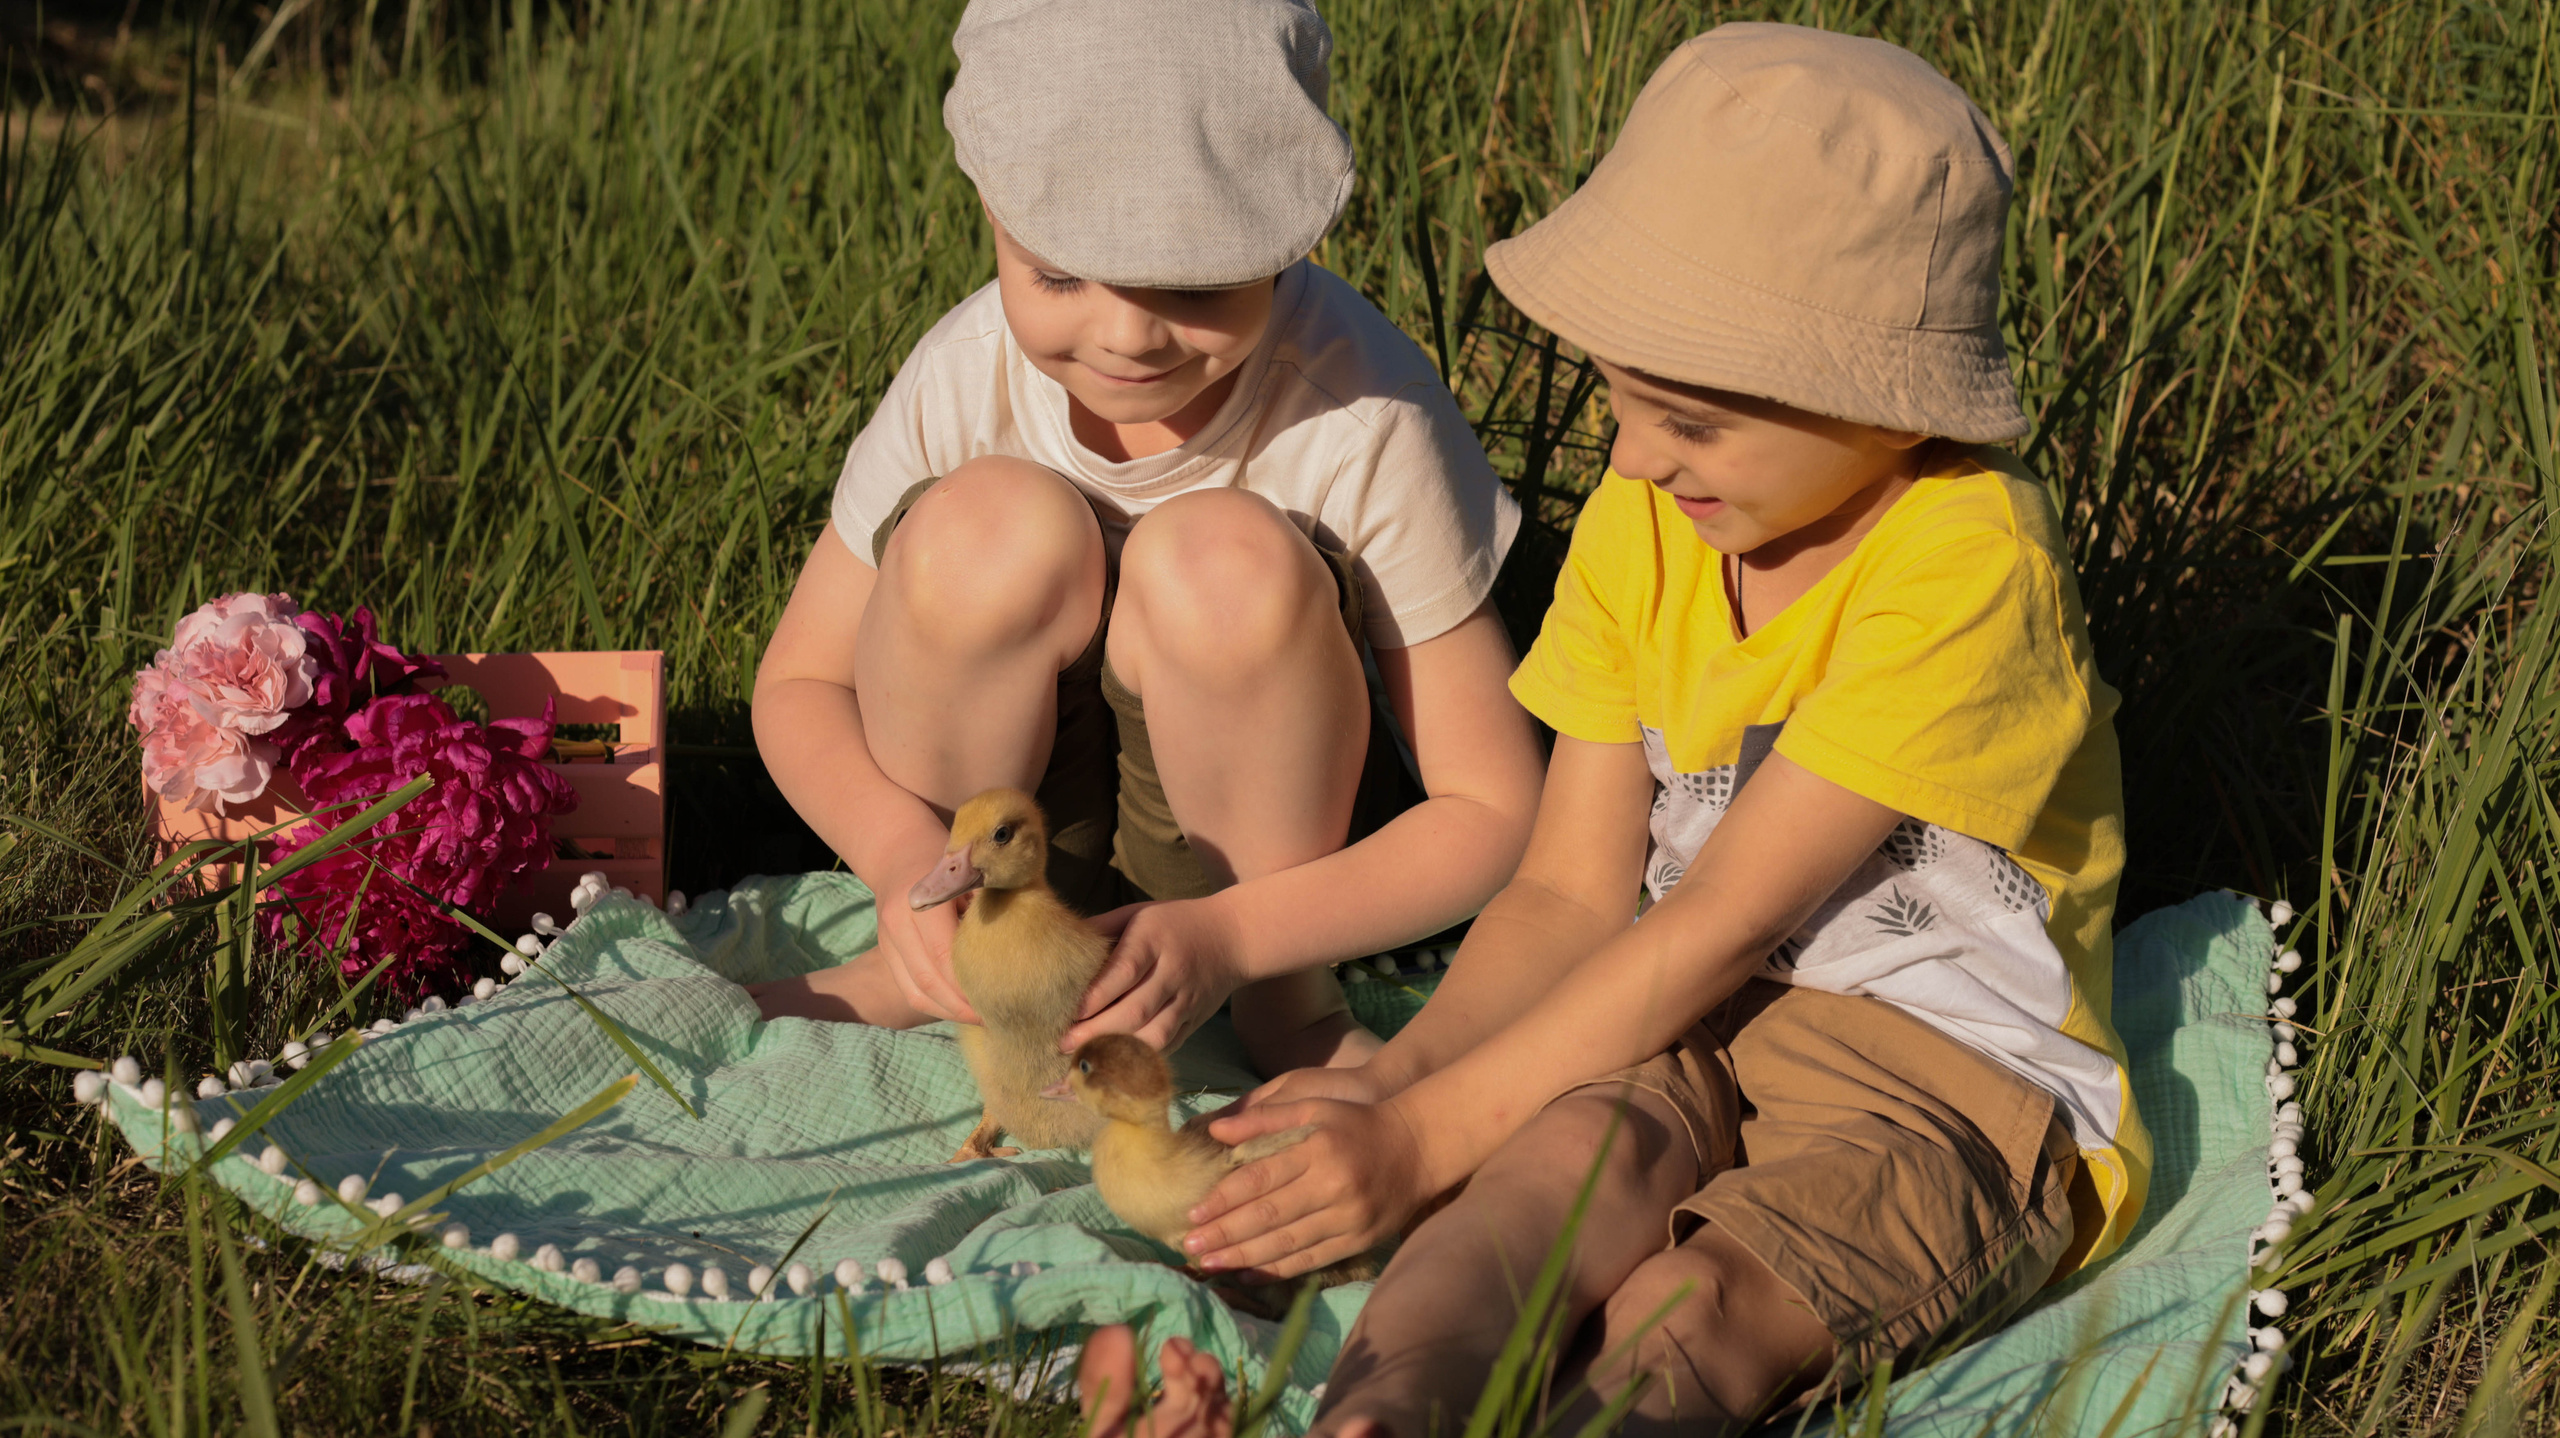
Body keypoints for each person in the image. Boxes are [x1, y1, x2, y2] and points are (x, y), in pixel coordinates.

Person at [1077, 23, 2155, 1437]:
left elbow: (1708, 915)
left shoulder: (1968, 567)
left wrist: (1419, 1135)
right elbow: (1573, 887)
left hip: (1934, 1074)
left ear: (1892, 406)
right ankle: (1373, 1418)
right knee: (1533, 1191)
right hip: (1685, 1014)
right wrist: (1402, 1085)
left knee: (1688, 1315)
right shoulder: (1654, 521)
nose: (1635, 456)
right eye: (1622, 399)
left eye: (1690, 420)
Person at [748, 0, 1543, 1078]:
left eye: (1197, 283)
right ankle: (952, 955)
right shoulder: (964, 371)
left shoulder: (1356, 411)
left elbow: (1493, 805)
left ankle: (1281, 1007)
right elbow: (798, 682)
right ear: (990, 207)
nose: (1127, 335)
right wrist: (902, 862)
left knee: (1220, 561)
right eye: (1061, 275)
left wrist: (1240, 936)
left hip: (1266, 879)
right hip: (1006, 856)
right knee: (983, 528)